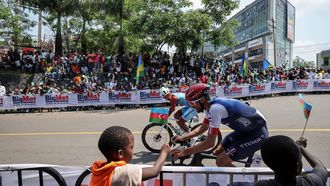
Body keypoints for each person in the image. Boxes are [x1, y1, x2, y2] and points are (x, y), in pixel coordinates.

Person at [171, 83, 269, 167]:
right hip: (245, 131)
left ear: (201, 100)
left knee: (220, 161)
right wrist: (183, 137)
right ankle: (236, 177)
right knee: (217, 152)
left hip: (257, 134)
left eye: (192, 103)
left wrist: (185, 152)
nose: (191, 106)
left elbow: (210, 143)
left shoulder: (215, 109)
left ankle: (246, 181)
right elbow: (203, 128)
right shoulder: (208, 107)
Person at [89, 126, 171, 186]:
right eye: (131, 147)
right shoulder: (124, 172)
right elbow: (154, 171)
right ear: (120, 153)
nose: (133, 150)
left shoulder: (98, 169)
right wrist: (164, 152)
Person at [254, 135, 328, 186]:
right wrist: (301, 148)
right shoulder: (312, 183)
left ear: (268, 164)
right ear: (298, 165)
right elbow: (320, 167)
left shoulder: (261, 185)